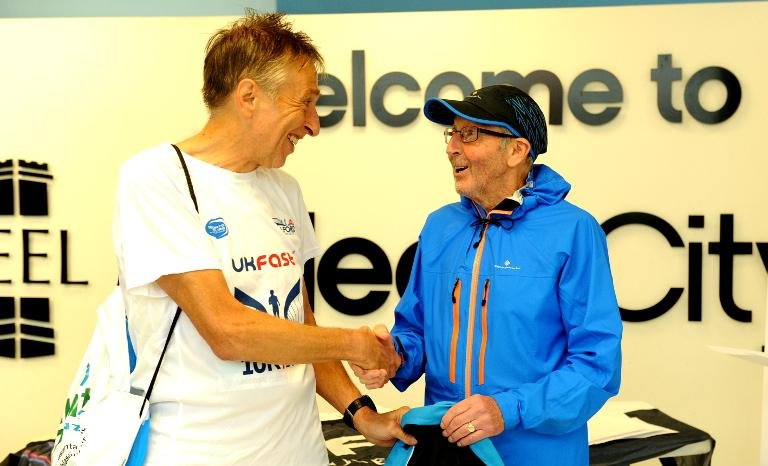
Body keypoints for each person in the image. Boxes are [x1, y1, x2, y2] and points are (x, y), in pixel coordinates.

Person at [113, 12, 413, 465]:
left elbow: (300, 331)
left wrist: (362, 415)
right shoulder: (156, 177)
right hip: (198, 453)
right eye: (306, 103)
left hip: (298, 451)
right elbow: (227, 332)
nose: (314, 124)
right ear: (249, 95)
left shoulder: (283, 188)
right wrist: (351, 343)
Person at [353, 85, 623, 465]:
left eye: (471, 134)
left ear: (517, 150)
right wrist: (392, 356)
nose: (452, 147)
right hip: (450, 453)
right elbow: (416, 331)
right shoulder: (439, 226)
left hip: (538, 455)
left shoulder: (574, 231)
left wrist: (507, 409)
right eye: (452, 134)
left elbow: (596, 366)